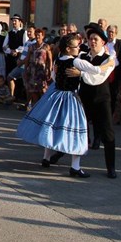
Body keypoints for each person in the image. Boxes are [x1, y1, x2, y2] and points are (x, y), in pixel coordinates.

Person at [18, 33, 107, 177]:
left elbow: (54, 77)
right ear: (68, 48)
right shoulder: (76, 62)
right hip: (70, 98)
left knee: (52, 126)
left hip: (56, 96)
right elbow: (96, 70)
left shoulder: (58, 60)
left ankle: (46, 158)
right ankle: (75, 167)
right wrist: (110, 63)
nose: (79, 48)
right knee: (76, 130)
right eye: (76, 46)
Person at [72, 24, 118, 178]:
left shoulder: (108, 59)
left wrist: (81, 73)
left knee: (108, 133)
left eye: (95, 39)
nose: (92, 42)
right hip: (84, 98)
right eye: (90, 39)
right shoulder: (82, 56)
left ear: (103, 42)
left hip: (101, 99)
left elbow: (97, 78)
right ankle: (68, 161)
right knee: (77, 130)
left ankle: (111, 167)